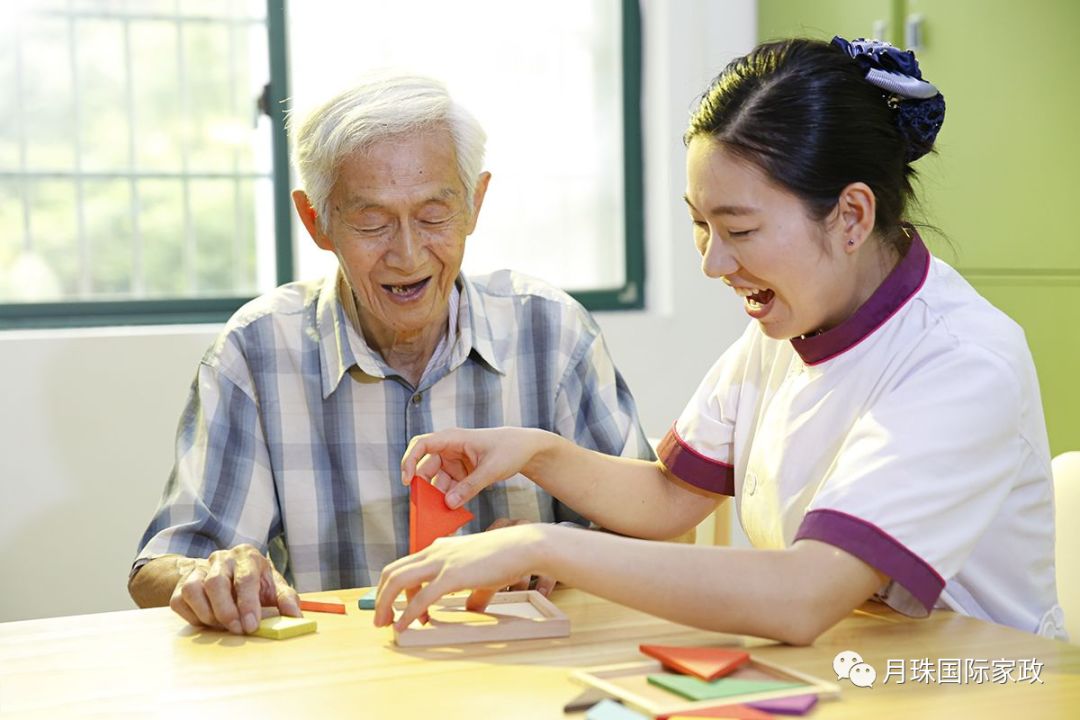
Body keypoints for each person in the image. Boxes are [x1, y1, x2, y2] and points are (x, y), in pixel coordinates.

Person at [375, 37, 1066, 644]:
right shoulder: (792, 320)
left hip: (976, 685)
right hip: (851, 672)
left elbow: (802, 596)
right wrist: (536, 452)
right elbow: (672, 497)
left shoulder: (961, 362)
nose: (713, 263)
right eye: (701, 224)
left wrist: (544, 545)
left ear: (852, 215)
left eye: (738, 230)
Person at [127, 73, 653, 636]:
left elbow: (653, 531)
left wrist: (554, 551)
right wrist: (209, 574)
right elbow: (162, 566)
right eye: (372, 222)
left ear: (475, 204)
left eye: (433, 216)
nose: (406, 254)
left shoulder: (553, 332)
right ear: (315, 220)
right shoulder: (256, 351)